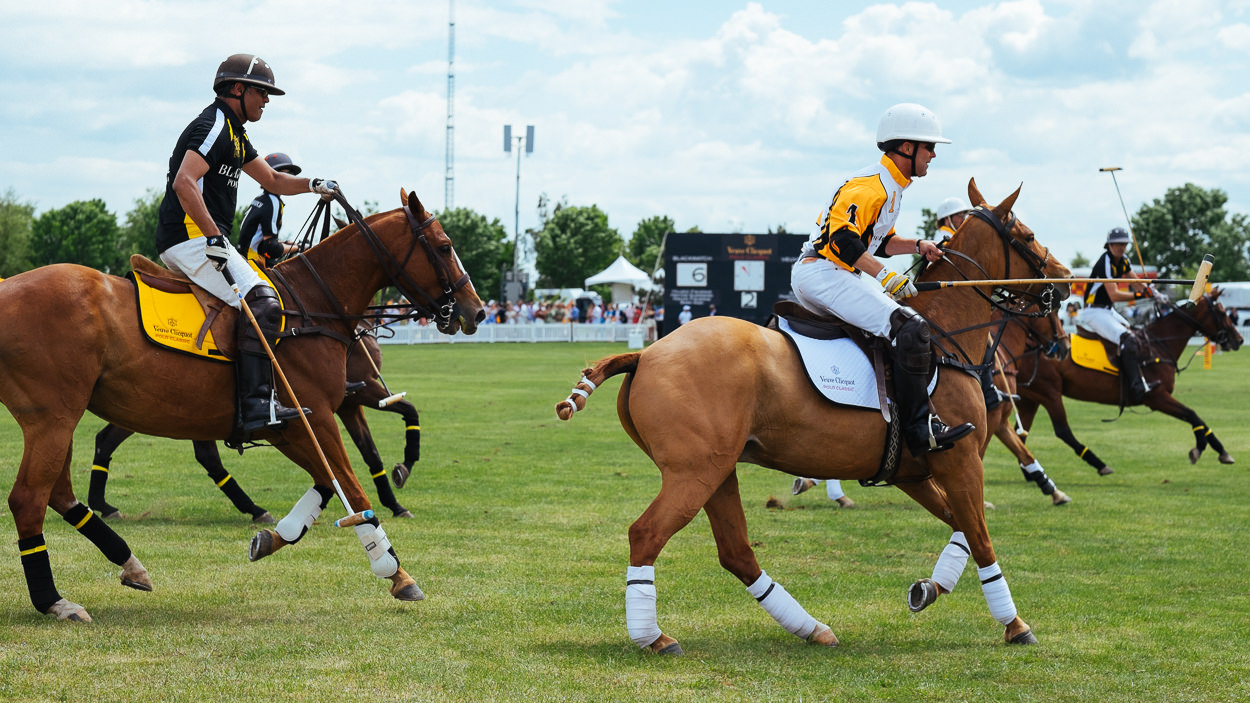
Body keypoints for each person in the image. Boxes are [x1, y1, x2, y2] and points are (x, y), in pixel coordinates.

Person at [156, 53, 340, 434]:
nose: (267, 101)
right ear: (237, 89)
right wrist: (213, 237)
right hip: (189, 237)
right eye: (262, 92)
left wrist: (313, 184)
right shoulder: (213, 126)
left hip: (202, 237)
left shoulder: (237, 134)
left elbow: (273, 180)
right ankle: (256, 407)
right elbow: (184, 183)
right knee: (264, 302)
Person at [790, 103, 974, 456]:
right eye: (929, 146)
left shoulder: (892, 187)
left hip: (834, 273)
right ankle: (919, 430)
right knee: (912, 328)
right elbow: (841, 239)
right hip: (824, 272)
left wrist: (918, 245)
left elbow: (882, 242)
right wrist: (885, 276)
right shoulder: (870, 185)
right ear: (907, 147)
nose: (933, 154)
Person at [1075, 227, 1157, 401]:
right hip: (1093, 311)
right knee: (1128, 339)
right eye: (1117, 244)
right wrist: (1140, 295)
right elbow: (1114, 294)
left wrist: (1152, 292)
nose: (1121, 247)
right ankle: (1135, 386)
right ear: (1109, 245)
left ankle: (1140, 377)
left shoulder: (1124, 260)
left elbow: (1136, 283)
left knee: (1137, 334)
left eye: (1124, 244)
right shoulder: (1105, 261)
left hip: (1108, 311)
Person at [237, 152, 304, 269]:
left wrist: (290, 244)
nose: (289, 180)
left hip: (244, 260)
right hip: (254, 264)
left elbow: (261, 242)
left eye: (291, 175)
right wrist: (299, 248)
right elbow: (271, 248)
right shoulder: (272, 202)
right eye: (283, 175)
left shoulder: (261, 199)